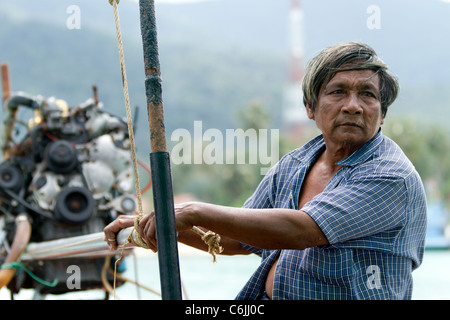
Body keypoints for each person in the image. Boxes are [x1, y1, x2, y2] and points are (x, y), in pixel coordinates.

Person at [104, 41, 427, 300]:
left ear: (382, 113)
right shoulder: (296, 164)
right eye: (338, 91)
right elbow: (236, 239)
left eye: (367, 95)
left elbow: (300, 230)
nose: (353, 105)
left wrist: (192, 211)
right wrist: (154, 224)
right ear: (311, 107)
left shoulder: (390, 176)